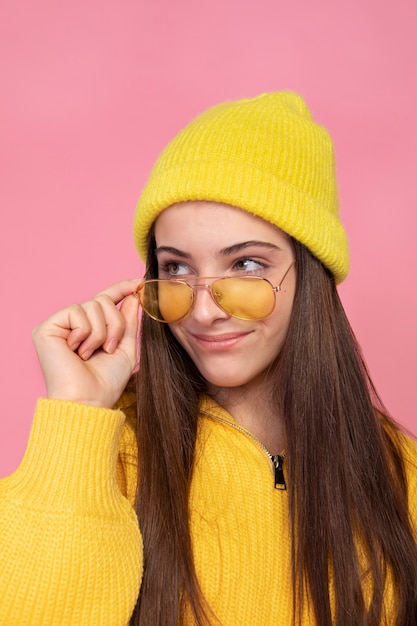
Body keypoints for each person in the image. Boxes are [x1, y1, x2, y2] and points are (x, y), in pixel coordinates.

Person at [1, 92, 416, 626]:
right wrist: (75, 416)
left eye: (245, 264)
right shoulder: (115, 454)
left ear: (310, 276)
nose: (201, 310)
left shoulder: (397, 473)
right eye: (175, 270)